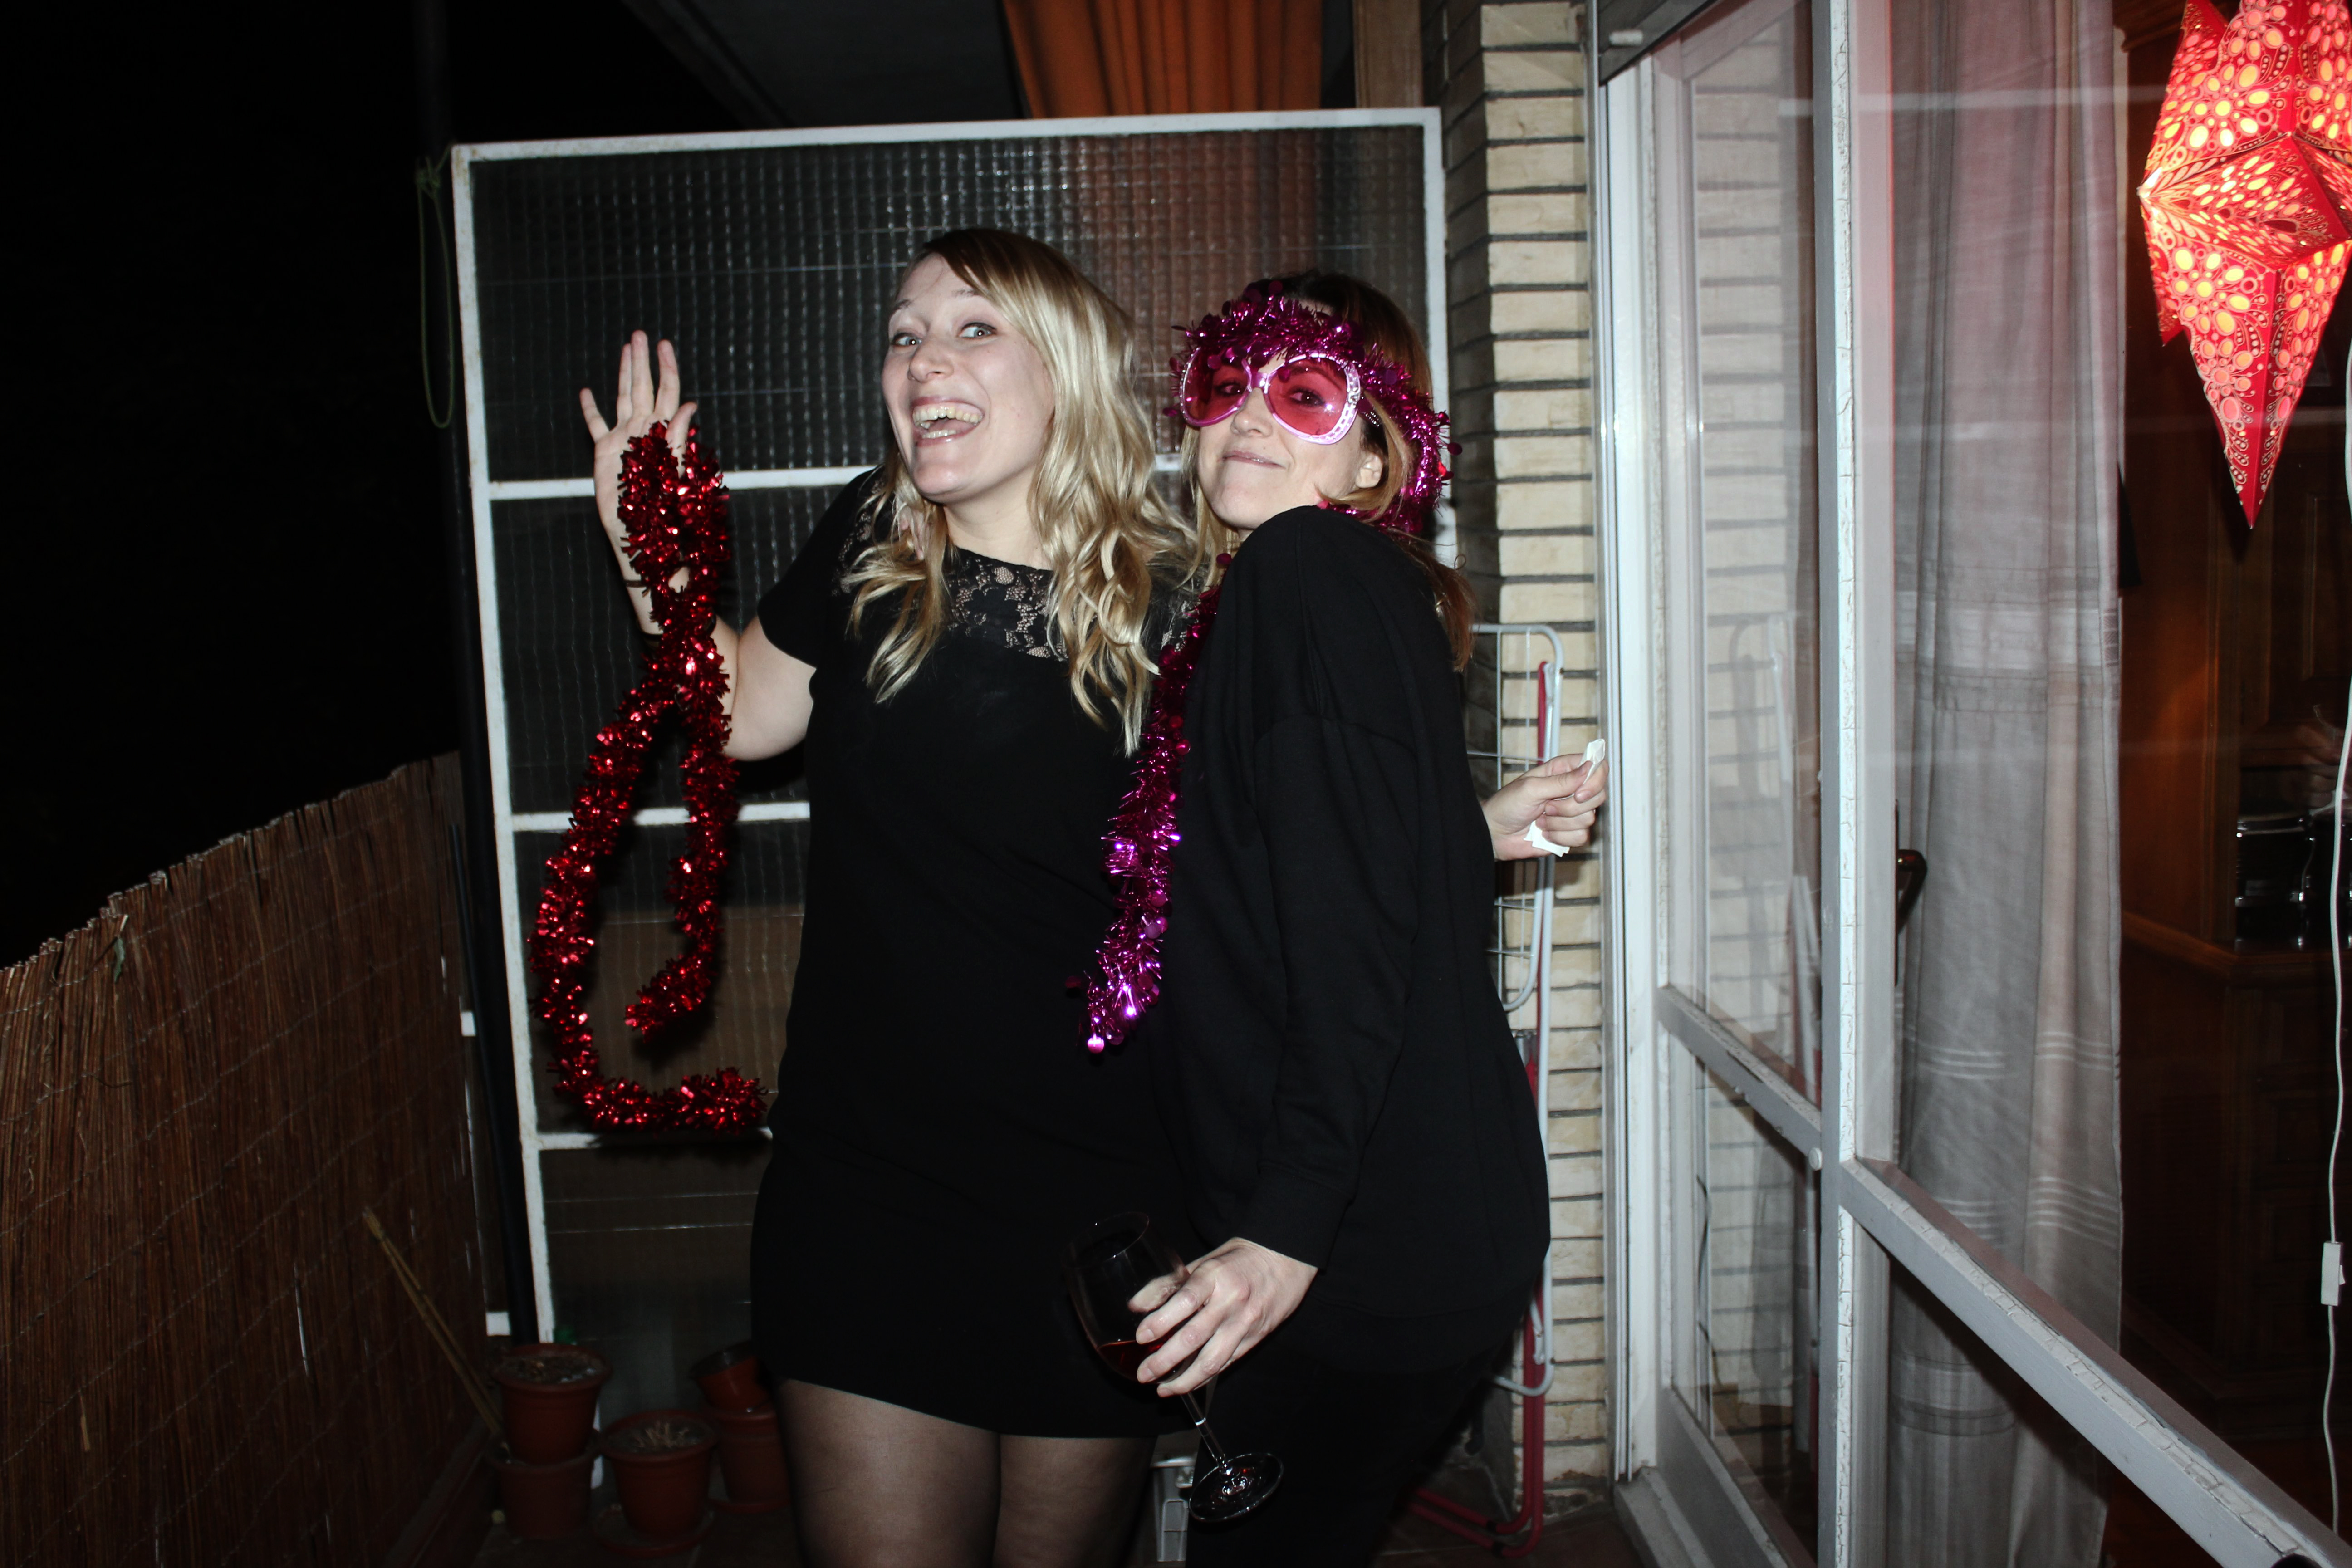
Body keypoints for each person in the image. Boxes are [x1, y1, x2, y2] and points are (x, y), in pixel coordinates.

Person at [578, 229, 1200, 1568]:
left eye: (973, 329)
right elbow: (740, 716)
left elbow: (1274, 847)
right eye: (905, 335)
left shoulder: (1178, 605)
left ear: (1066, 369)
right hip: (869, 1185)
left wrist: (1456, 833)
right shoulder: (871, 544)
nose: (924, 361)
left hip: (1095, 1192)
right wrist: (656, 560)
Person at [1117, 274, 1608, 1564]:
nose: (1249, 416)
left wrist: (1287, 1233)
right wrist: (1470, 833)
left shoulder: (1303, 571)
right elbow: (1335, 858)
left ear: (1377, 452)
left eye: (1304, 392)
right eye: (1227, 385)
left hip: (1359, 1235)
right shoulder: (1348, 589)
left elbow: (1346, 933)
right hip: (1411, 1221)